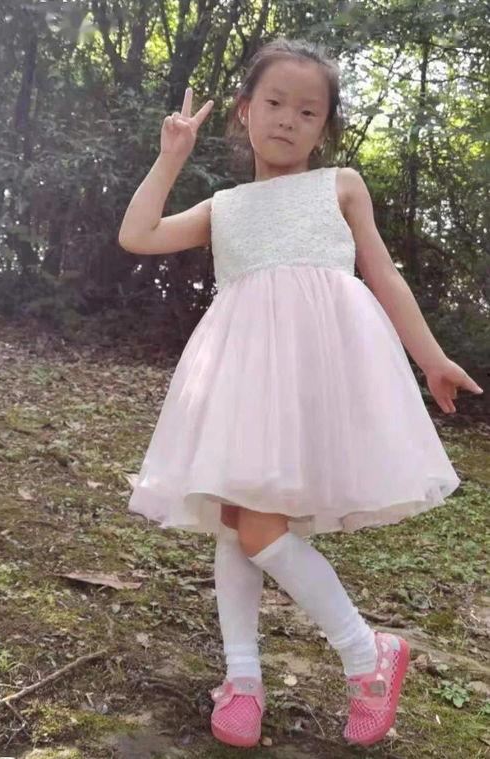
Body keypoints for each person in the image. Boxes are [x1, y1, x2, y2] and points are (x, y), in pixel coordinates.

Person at [118, 37, 483, 750]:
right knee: (237, 517)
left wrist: (431, 357)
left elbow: (383, 274)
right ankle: (244, 679)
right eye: (275, 103)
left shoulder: (340, 185)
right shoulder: (224, 206)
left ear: (325, 127)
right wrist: (171, 156)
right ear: (245, 111)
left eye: (308, 111)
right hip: (242, 372)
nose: (288, 119)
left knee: (256, 523)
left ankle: (364, 653)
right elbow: (139, 234)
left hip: (316, 371)